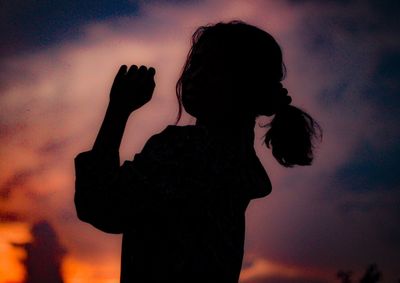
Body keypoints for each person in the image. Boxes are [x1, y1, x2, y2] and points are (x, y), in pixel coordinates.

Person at [74, 21, 322, 283]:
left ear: (242, 84)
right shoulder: (241, 165)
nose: (194, 74)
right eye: (195, 64)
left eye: (212, 67)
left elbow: (101, 205)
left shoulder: (182, 150)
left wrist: (118, 109)